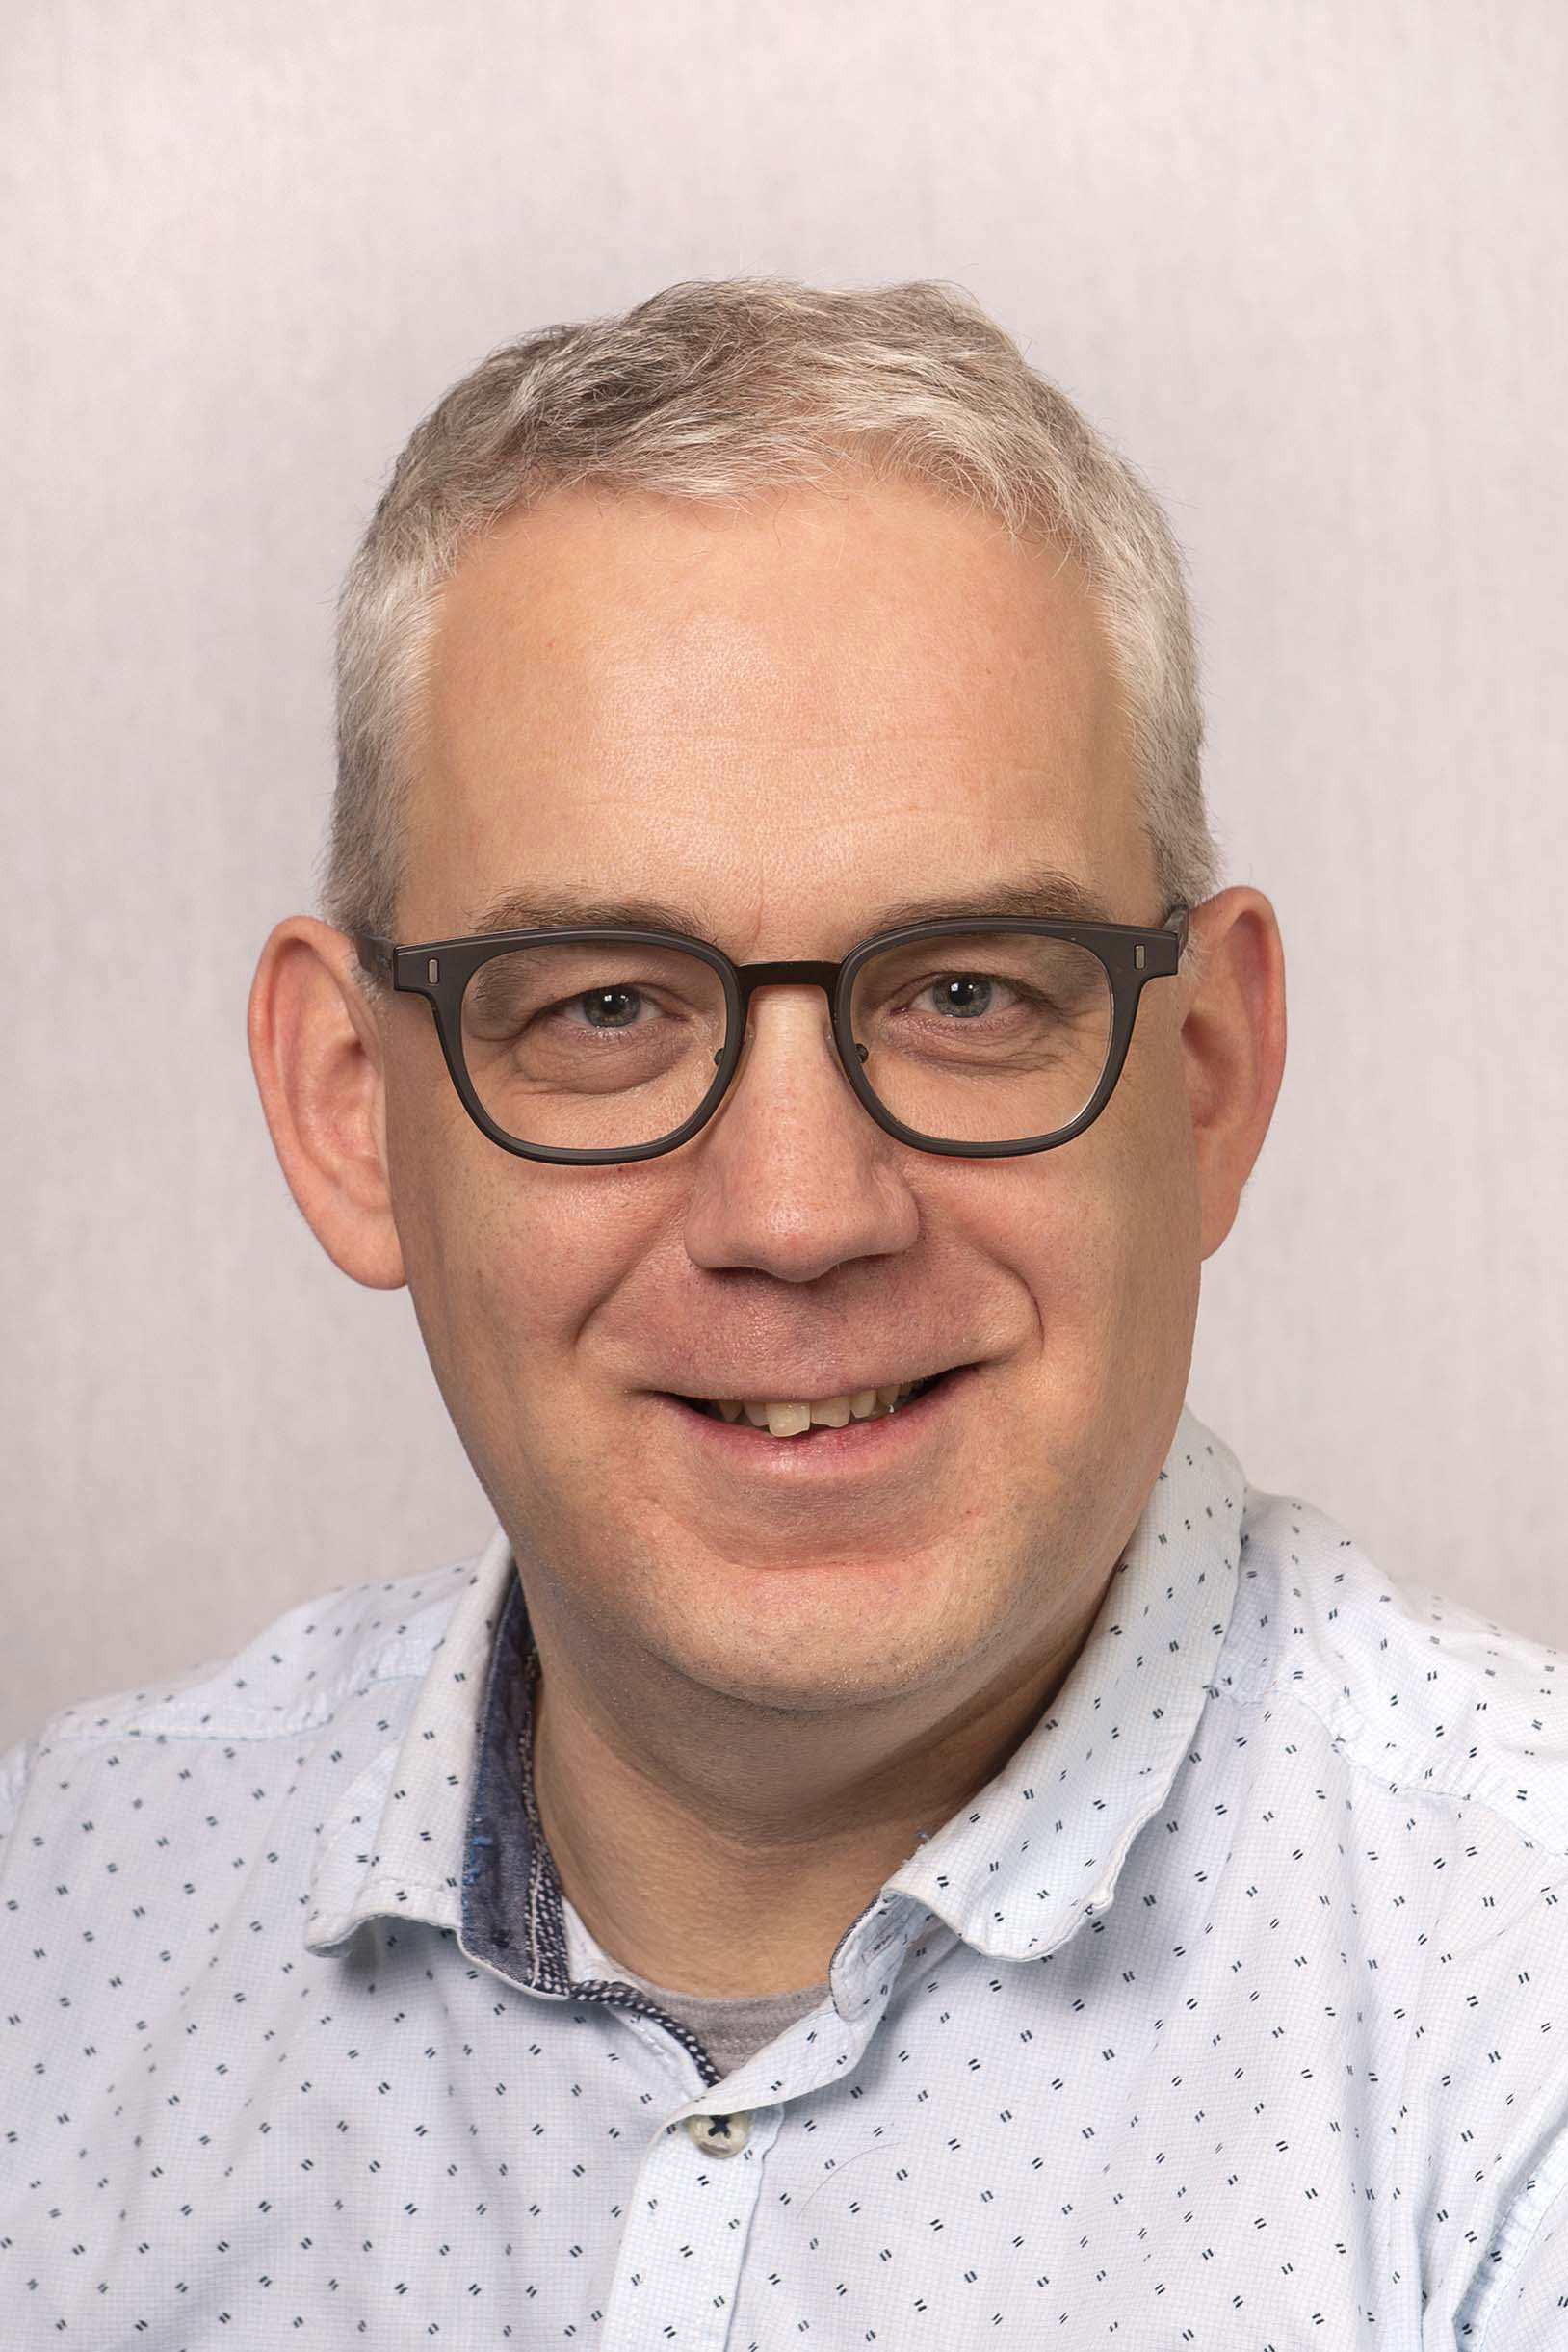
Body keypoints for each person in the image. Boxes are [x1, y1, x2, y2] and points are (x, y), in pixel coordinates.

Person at [2, 279, 1563, 2351]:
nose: (802, 1214)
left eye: (967, 991)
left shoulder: (1521, 1992)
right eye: (606, 1008)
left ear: (1206, 1078)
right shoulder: (54, 1923)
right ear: (352, 1107)